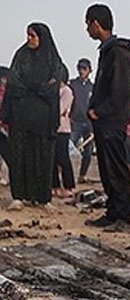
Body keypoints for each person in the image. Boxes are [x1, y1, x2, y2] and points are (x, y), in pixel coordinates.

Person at [3, 23, 68, 210]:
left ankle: (43, 198)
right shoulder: (20, 56)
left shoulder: (53, 61)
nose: (29, 39)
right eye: (28, 35)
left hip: (43, 118)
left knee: (43, 158)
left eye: (33, 36)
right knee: (19, 156)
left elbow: (52, 87)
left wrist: (35, 86)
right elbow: (14, 83)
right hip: (21, 116)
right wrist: (36, 86)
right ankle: (18, 196)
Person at [85, 5, 130, 230]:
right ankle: (113, 211)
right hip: (105, 121)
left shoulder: (118, 53)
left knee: (116, 167)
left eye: (88, 24)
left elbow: (120, 90)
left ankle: (122, 215)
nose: (87, 29)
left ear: (96, 23)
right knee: (107, 168)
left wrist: (100, 110)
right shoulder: (108, 51)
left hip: (112, 121)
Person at [70, 58, 94, 182]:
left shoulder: (93, 87)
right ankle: (63, 174)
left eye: (84, 68)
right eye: (80, 68)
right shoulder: (73, 84)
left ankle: (82, 175)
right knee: (69, 147)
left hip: (89, 123)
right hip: (75, 121)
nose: (81, 71)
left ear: (89, 70)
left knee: (88, 151)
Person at [52, 79, 74, 198]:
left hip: (62, 128)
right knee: (53, 159)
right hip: (52, 128)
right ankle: (55, 186)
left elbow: (60, 109)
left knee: (63, 157)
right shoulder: (53, 90)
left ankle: (68, 186)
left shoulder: (67, 91)